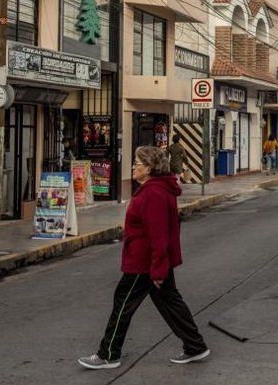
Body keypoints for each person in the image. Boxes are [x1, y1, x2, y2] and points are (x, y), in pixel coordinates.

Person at [78, 146, 209, 370]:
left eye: (137, 164)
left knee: (123, 303)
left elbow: (158, 236)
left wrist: (157, 269)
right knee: (170, 302)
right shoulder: (154, 190)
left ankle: (109, 354)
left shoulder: (154, 193)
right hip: (152, 261)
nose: (133, 167)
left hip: (144, 263)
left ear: (148, 168)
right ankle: (195, 346)